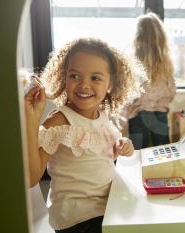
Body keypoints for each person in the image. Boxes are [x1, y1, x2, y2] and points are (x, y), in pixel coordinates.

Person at [24, 38, 145, 233]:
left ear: (111, 83)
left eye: (95, 78)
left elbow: (102, 153)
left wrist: (123, 144)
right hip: (78, 219)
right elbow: (30, 178)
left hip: (105, 205)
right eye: (74, 76)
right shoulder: (60, 121)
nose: (84, 85)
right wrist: (31, 120)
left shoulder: (103, 116)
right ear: (64, 77)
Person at [125, 12, 176, 150]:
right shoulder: (166, 64)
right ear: (160, 37)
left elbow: (128, 94)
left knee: (137, 154)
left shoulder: (132, 63)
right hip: (159, 114)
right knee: (164, 153)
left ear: (138, 37)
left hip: (138, 115)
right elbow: (171, 91)